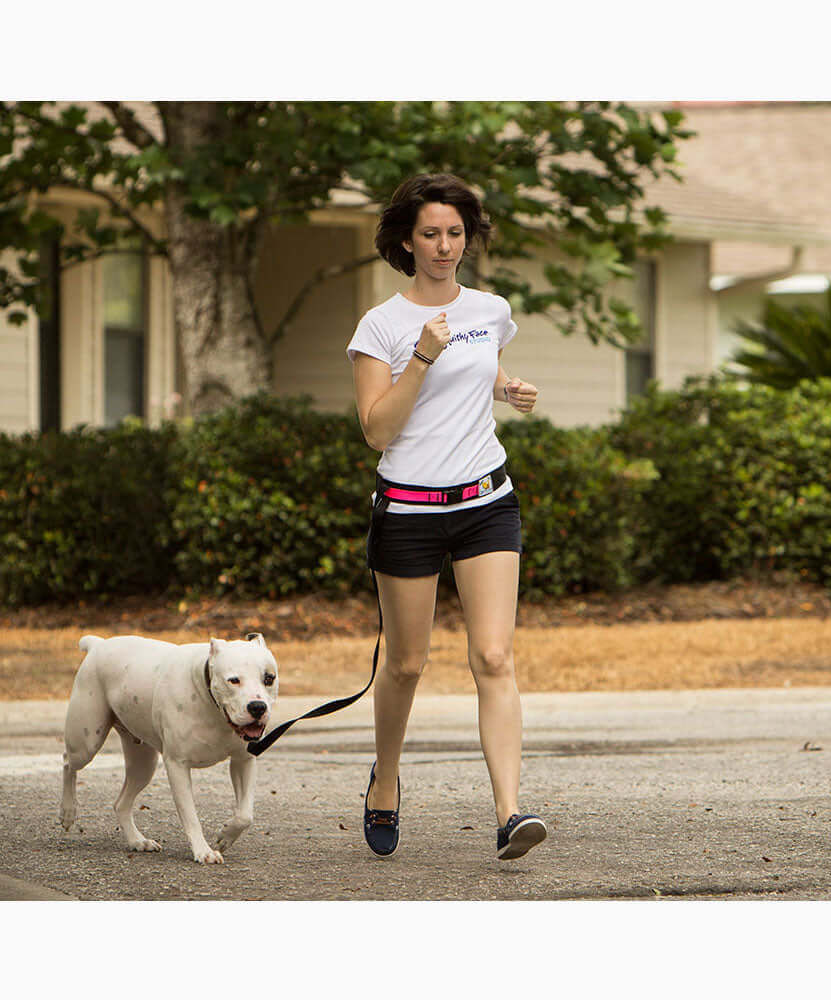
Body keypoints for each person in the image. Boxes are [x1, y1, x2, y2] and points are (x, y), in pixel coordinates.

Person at [346, 173, 547, 861]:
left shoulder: (490, 308)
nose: (443, 245)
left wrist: (506, 386)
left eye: (455, 233)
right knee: (405, 664)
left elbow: (484, 367)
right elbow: (377, 430)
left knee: (493, 655)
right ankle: (387, 779)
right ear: (407, 239)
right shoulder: (382, 326)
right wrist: (421, 358)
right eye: (430, 233)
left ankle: (510, 813)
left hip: (485, 501)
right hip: (407, 509)